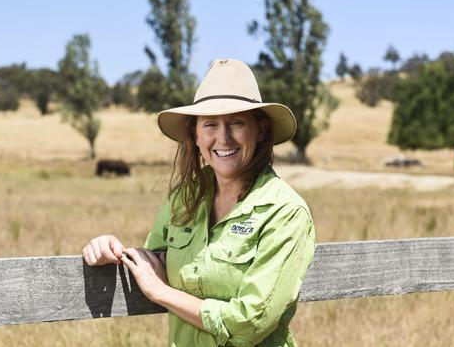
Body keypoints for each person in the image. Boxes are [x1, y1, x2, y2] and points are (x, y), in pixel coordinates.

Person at [83, 58, 316, 347]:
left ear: (260, 129)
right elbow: (154, 262)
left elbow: (249, 323)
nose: (223, 138)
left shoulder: (284, 212)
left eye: (236, 122)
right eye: (210, 125)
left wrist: (161, 293)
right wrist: (112, 250)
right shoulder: (184, 199)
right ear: (194, 134)